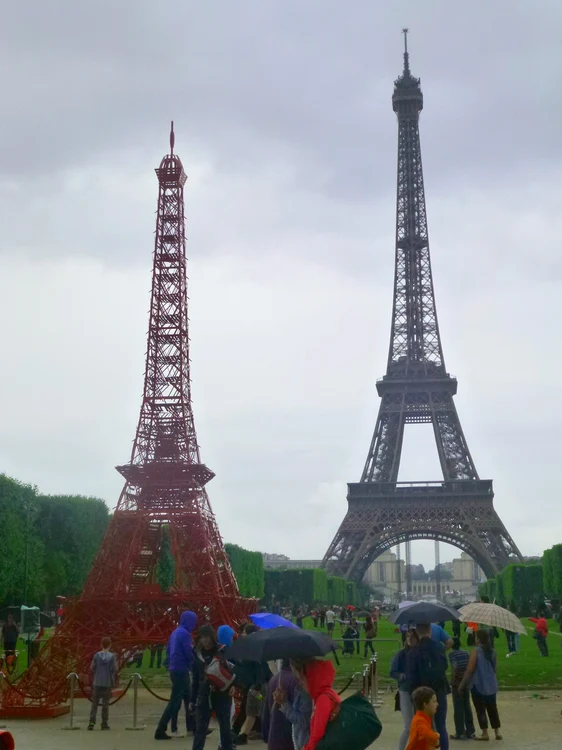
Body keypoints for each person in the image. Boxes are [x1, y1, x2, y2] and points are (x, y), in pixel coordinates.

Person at [155, 610, 197, 740]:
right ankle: (160, 729)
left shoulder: (175, 632)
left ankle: (193, 727)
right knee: (175, 702)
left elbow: (168, 650)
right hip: (181, 670)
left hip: (175, 669)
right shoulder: (185, 634)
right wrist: (195, 665)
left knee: (188, 698)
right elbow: (188, 653)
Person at [406, 623, 449, 750]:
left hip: (421, 693)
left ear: (418, 633)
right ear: (430, 631)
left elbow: (410, 675)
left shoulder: (413, 651)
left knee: (422, 727)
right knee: (441, 726)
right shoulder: (439, 647)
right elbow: (445, 666)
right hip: (438, 691)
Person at [192, 625, 235, 750]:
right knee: (201, 728)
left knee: (225, 728)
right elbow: (195, 678)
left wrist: (234, 685)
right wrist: (192, 699)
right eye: (202, 637)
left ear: (212, 637)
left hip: (222, 693)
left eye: (206, 637)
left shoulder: (223, 651)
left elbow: (235, 669)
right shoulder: (197, 654)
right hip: (204, 694)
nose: (204, 640)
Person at [458, 629, 502, 741]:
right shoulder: (493, 651)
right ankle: (497, 731)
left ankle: (485, 732)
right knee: (493, 707)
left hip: (478, 684)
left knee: (480, 709)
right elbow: (495, 669)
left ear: (479, 639)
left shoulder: (476, 651)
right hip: (491, 684)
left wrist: (462, 684)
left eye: (476, 637)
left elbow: (470, 669)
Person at [390, 629, 420, 750]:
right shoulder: (401, 654)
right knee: (408, 725)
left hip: (419, 691)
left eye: (412, 637)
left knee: (420, 724)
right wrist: (401, 676)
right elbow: (392, 672)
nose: (410, 639)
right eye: (408, 637)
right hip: (405, 690)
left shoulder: (420, 653)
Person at [301, 659, 341, 750]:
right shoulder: (327, 693)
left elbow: (317, 733)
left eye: (304, 680)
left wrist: (307, 748)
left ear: (312, 679)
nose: (302, 684)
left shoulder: (323, 699)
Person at [262, 659, 299, 750]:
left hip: (274, 734)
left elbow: (266, 711)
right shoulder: (295, 680)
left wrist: (266, 734)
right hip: (289, 737)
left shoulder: (273, 679)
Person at [278, 660, 312, 750]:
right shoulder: (300, 687)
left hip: (305, 741)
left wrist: (284, 704)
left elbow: (303, 720)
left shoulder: (305, 691)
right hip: (301, 740)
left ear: (299, 671)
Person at [448, 636, 475, 740]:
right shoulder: (465, 653)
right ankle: (470, 731)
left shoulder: (452, 654)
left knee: (458, 707)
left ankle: (460, 732)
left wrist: (452, 681)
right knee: (467, 705)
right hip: (466, 681)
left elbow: (454, 667)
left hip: (458, 681)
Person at [88, 636, 117, 731]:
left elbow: (92, 668)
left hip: (97, 682)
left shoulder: (97, 655)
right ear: (110, 645)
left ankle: (91, 723)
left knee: (94, 704)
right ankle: (104, 723)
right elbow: (114, 669)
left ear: (101, 644)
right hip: (107, 682)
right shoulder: (112, 656)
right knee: (105, 704)